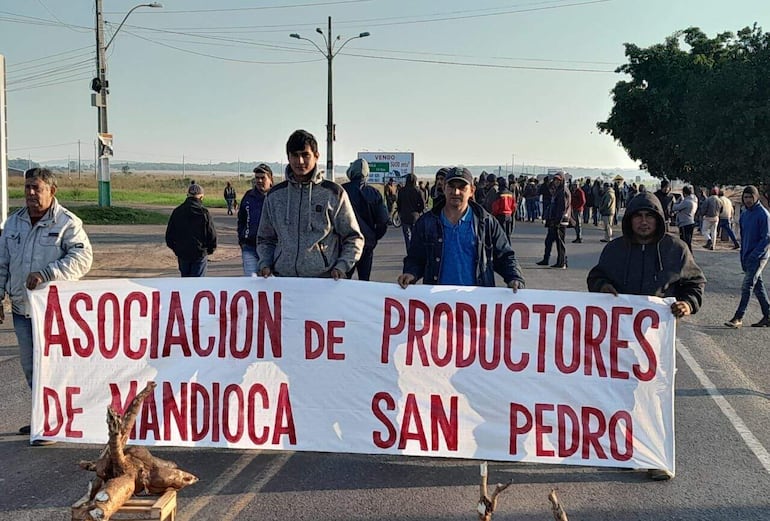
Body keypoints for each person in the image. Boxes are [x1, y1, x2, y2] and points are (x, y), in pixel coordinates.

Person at [587, 192, 706, 481]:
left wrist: (687, 304)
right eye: (638, 216)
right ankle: (624, 451)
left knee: (655, 397)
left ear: (658, 219)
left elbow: (695, 283)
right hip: (619, 339)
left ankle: (657, 457)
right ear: (629, 219)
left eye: (649, 216)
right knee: (620, 396)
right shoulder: (615, 250)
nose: (643, 221)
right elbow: (595, 276)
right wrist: (602, 286)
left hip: (656, 341)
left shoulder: (675, 250)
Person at [0, 168, 93, 440]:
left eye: (36, 188)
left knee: (54, 367)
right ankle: (43, 418)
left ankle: (56, 421)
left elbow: (83, 258)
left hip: (55, 312)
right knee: (31, 367)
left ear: (52, 191)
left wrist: (47, 273)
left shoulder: (67, 223)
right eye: (27, 187)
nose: (30, 193)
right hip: (22, 309)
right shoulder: (13, 223)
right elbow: (2, 262)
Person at [257, 129, 363, 279]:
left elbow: (353, 237)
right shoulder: (274, 196)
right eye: (295, 155)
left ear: (316, 156)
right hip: (283, 282)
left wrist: (342, 266)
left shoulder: (333, 193)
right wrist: (265, 264)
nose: (300, 161)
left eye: (305, 155)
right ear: (288, 157)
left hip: (324, 283)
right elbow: (265, 238)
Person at [397, 167, 524, 290]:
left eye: (462, 187)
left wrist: (514, 277)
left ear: (472, 191)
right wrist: (411, 273)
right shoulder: (426, 223)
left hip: (475, 305)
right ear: (444, 188)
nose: (456, 192)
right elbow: (415, 257)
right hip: (437, 303)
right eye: (451, 186)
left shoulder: (487, 223)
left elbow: (505, 256)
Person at [724, 185, 770, 328]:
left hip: (759, 256)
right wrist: (743, 254)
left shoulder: (763, 214)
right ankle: (768, 315)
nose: (748, 200)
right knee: (758, 287)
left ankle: (738, 317)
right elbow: (744, 237)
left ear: (756, 197)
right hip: (746, 254)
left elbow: (767, 238)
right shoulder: (744, 213)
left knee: (747, 285)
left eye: (750, 197)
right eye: (746, 197)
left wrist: (754, 255)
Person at [342, 158, 389, 281]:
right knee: (364, 281)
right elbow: (383, 220)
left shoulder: (341, 191)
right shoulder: (374, 193)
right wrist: (373, 237)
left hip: (344, 245)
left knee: (341, 282)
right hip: (367, 244)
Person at [165, 183, 217, 277]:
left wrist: (177, 249)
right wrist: (209, 250)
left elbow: (169, 235)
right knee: (197, 284)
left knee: (185, 282)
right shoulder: (204, 212)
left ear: (187, 195)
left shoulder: (177, 211)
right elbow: (211, 234)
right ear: (201, 197)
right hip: (199, 253)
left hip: (183, 253)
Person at [237, 163, 273, 276]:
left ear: (270, 179)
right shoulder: (248, 196)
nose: (259, 181)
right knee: (251, 281)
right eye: (257, 178)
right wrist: (242, 239)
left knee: (271, 282)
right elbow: (241, 219)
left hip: (272, 248)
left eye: (263, 178)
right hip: (250, 246)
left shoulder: (276, 196)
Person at [536, 172, 570, 269]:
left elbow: (562, 208)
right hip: (554, 219)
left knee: (560, 242)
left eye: (558, 180)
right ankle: (547, 259)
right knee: (549, 241)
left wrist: (558, 221)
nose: (556, 182)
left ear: (562, 180)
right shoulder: (558, 191)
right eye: (555, 180)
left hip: (560, 221)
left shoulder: (563, 191)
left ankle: (562, 262)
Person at [396, 173, 425, 250]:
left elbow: (399, 203)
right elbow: (423, 205)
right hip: (415, 216)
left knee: (407, 236)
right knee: (415, 236)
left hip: (404, 216)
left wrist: (400, 212)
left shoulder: (401, 191)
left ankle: (409, 252)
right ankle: (415, 251)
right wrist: (418, 211)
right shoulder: (418, 191)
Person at [672, 185, 698, 252]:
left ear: (684, 193)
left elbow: (675, 207)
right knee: (688, 240)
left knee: (684, 242)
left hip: (684, 222)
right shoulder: (695, 200)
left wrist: (677, 201)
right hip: (691, 221)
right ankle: (689, 254)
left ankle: (687, 255)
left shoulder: (686, 201)